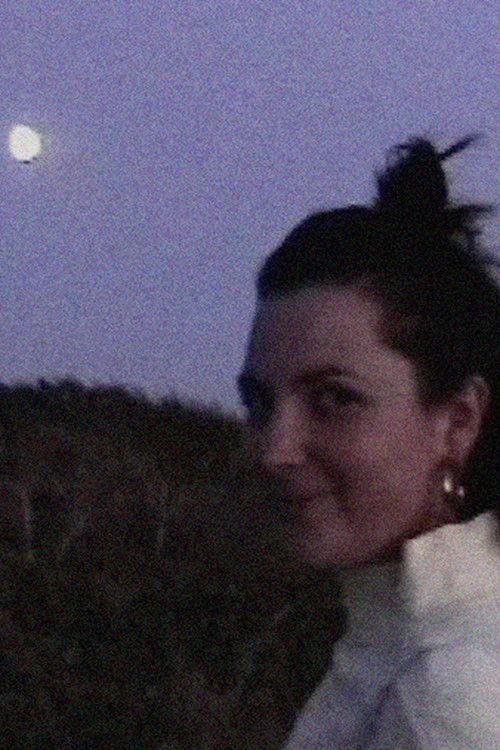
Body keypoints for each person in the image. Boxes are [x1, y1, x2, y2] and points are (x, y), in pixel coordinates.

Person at [237, 135, 500, 749]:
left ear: (458, 420)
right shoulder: (400, 642)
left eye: (334, 399)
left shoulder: (444, 695)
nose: (275, 450)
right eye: (260, 403)